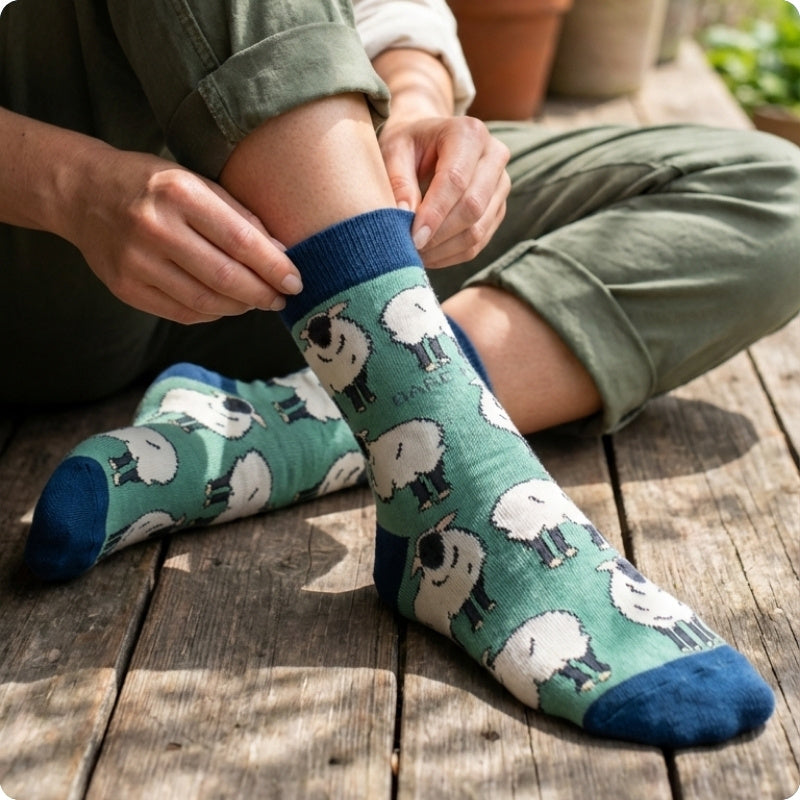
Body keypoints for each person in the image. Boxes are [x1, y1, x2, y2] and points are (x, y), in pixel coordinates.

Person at [3, 0, 798, 748]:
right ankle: (466, 500)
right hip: (51, 253)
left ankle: (297, 430)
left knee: (775, 197)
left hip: (307, 236)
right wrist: (69, 187)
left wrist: (419, 106)